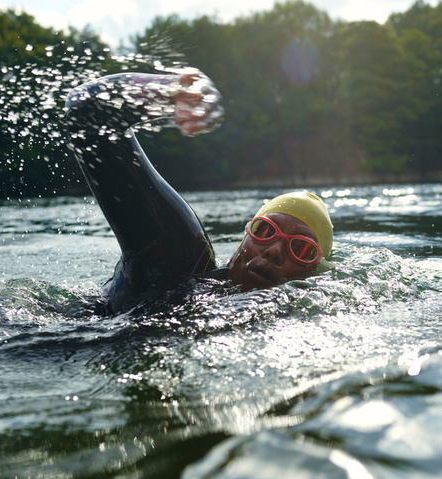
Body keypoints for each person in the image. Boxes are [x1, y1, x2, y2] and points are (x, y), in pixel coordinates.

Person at [65, 68, 333, 313]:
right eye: (265, 230)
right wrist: (171, 91)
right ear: (244, 239)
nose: (274, 250)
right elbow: (89, 111)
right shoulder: (181, 261)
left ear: (315, 274)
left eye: (301, 249)